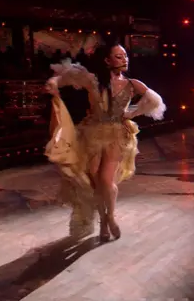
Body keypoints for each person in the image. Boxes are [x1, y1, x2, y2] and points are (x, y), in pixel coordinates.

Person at [44, 44, 166, 241]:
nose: (125, 59)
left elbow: (155, 101)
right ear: (107, 61)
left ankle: (110, 218)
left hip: (116, 134)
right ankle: (103, 222)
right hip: (92, 132)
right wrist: (54, 81)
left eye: (125, 55)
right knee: (94, 181)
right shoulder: (93, 81)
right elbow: (67, 76)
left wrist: (132, 113)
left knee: (106, 180)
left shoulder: (132, 84)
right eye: (118, 56)